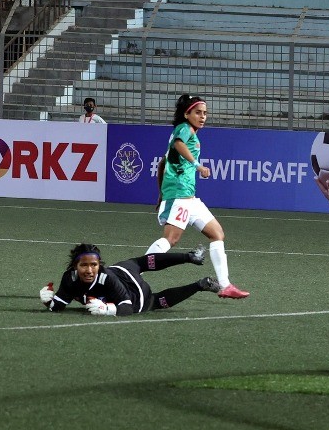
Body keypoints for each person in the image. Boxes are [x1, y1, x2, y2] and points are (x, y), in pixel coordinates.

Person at [145, 94, 250, 299]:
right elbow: (179, 144)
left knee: (217, 234)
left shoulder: (186, 132)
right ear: (187, 114)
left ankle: (225, 285)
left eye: (205, 113)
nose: (203, 117)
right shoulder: (184, 130)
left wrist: (161, 193)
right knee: (171, 239)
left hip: (188, 198)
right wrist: (197, 165)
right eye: (198, 113)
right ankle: (132, 272)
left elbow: (162, 164)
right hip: (180, 195)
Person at [40, 243, 220, 316]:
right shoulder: (69, 279)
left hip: (134, 292)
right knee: (142, 268)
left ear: (99, 265)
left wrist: (107, 309)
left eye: (93, 265)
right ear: (75, 266)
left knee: (153, 300)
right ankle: (201, 284)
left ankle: (189, 256)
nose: (89, 270)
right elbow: (58, 306)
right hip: (121, 271)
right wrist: (49, 301)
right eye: (83, 265)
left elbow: (127, 308)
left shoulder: (106, 278)